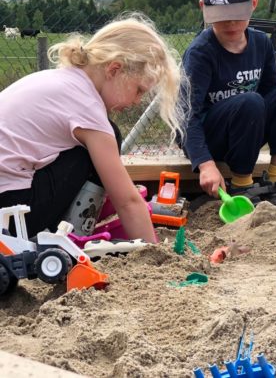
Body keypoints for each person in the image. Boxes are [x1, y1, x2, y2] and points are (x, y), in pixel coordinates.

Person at [0, 14, 186, 243]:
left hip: (9, 199)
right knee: (100, 144)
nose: (137, 102)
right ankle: (72, 235)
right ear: (114, 70)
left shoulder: (58, 79)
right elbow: (128, 202)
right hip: (10, 216)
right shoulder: (87, 108)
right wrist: (155, 253)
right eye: (138, 90)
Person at [181, 0, 276, 214]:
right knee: (250, 101)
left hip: (247, 129)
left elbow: (272, 93)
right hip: (210, 136)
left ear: (253, 3)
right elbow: (187, 117)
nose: (230, 23)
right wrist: (205, 164)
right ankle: (242, 186)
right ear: (203, 9)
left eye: (236, 15)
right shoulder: (200, 54)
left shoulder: (261, 43)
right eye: (221, 17)